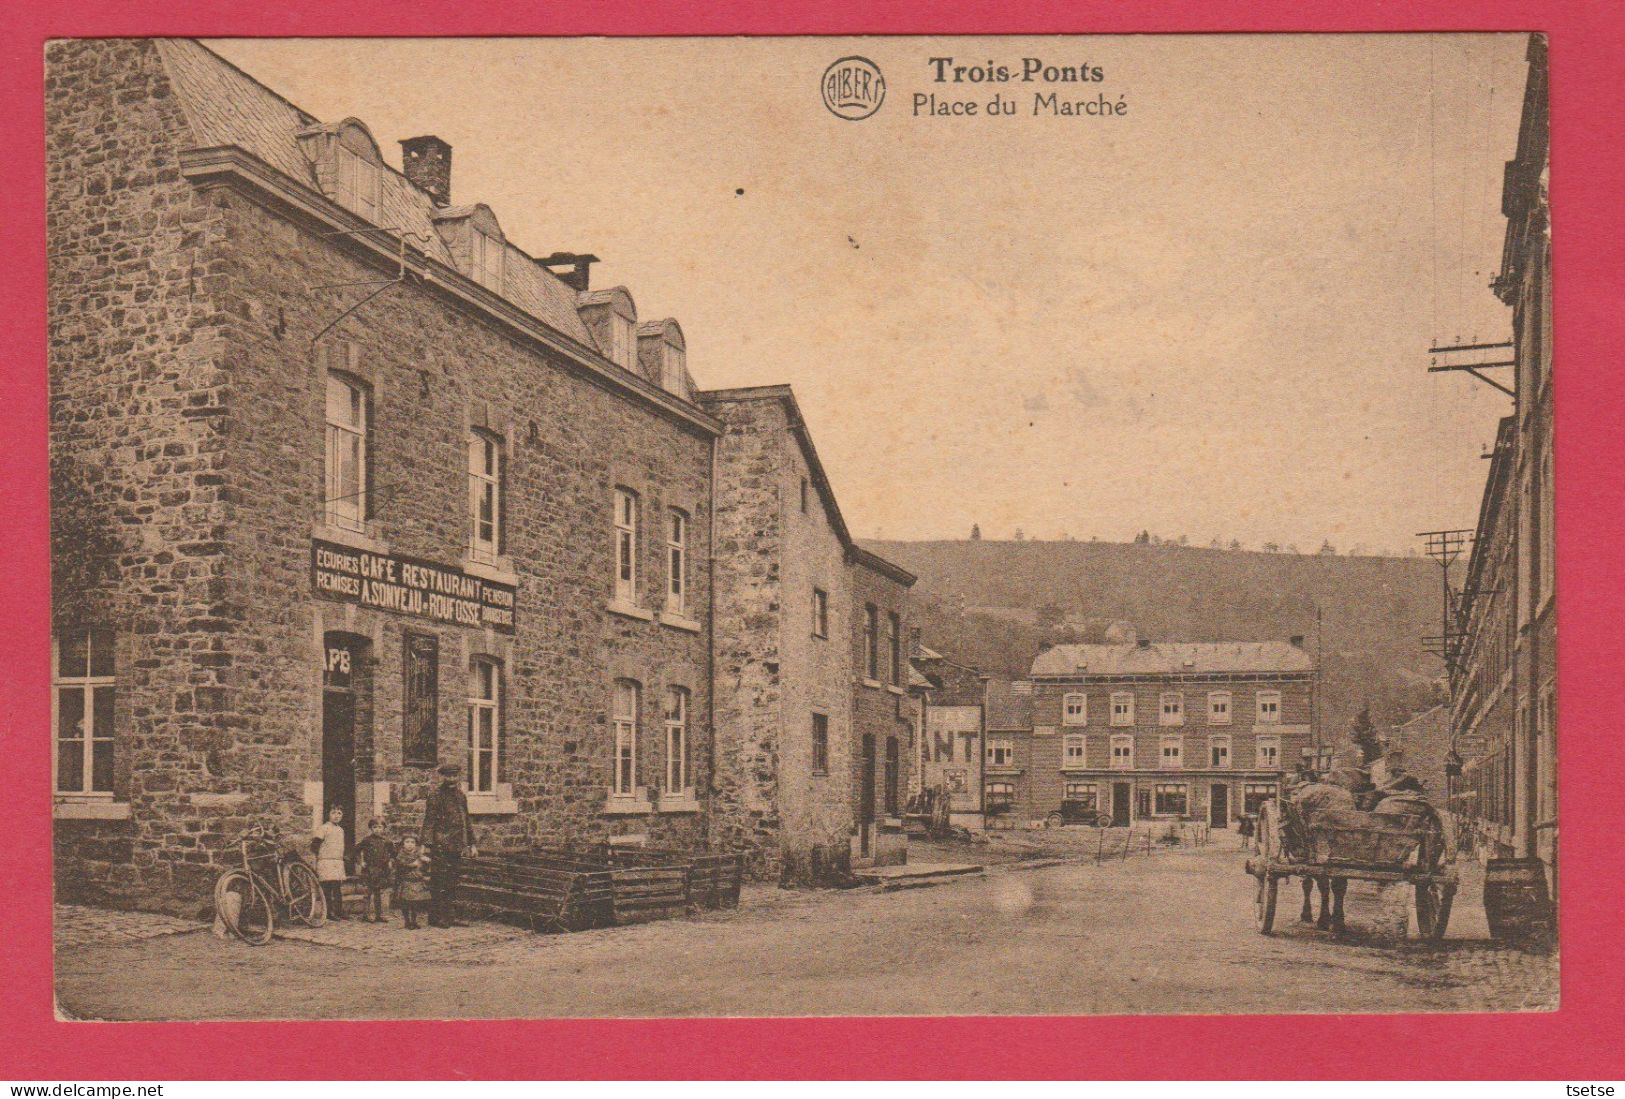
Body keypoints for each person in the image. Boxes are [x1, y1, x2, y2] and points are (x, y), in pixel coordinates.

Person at [423, 762, 478, 928]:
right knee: (439, 881)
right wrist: (427, 844)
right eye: (448, 775)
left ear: (458, 776)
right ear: (442, 777)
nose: (451, 778)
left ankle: (450, 916)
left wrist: (472, 843)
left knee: (453, 881)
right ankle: (436, 917)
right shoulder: (435, 796)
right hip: (440, 845)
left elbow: (465, 820)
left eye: (454, 775)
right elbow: (429, 821)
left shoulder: (461, 796)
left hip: (456, 845)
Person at [351, 818, 397, 923]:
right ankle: (365, 915)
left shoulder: (387, 841)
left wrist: (390, 861)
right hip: (369, 870)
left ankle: (378, 915)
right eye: (374, 827)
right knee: (368, 893)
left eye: (380, 827)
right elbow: (355, 851)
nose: (377, 829)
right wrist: (360, 862)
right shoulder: (367, 840)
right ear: (371, 828)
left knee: (378, 893)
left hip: (381, 870)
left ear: (384, 828)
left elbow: (394, 853)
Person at [311, 805, 349, 920]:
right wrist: (320, 857)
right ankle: (329, 912)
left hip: (337, 862)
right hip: (326, 861)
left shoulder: (340, 830)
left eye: (339, 813)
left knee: (337, 888)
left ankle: (339, 910)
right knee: (327, 888)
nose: (336, 816)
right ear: (328, 814)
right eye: (333, 813)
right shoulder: (323, 828)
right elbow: (314, 845)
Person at [394, 833, 431, 930]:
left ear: (416, 844)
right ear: (403, 844)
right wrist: (411, 865)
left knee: (415, 903)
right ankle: (407, 921)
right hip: (406, 881)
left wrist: (426, 862)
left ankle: (414, 921)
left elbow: (424, 868)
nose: (410, 844)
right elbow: (400, 867)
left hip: (416, 881)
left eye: (412, 842)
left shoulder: (419, 855)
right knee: (406, 903)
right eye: (407, 842)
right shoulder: (400, 855)